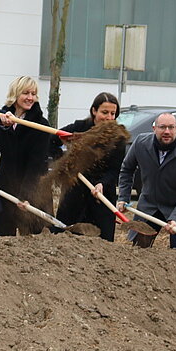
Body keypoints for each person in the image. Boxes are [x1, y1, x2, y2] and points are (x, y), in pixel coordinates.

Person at [118, 112, 176, 249]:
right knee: (139, 250)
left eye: (171, 127)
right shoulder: (141, 144)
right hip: (149, 205)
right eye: (162, 127)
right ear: (154, 128)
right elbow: (127, 169)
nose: (167, 131)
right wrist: (123, 198)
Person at [54, 92, 128, 242]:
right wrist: (64, 161)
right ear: (94, 111)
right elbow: (52, 140)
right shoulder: (80, 128)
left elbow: (114, 169)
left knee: (102, 241)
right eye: (104, 112)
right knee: (66, 237)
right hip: (75, 190)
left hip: (101, 195)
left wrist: (102, 184)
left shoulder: (118, 137)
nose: (109, 117)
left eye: (113, 113)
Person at [0, 76, 56, 236]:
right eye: (25, 93)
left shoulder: (41, 125)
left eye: (33, 94)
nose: (30, 98)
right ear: (15, 94)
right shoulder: (0, 120)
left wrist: (26, 195)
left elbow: (36, 165)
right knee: (2, 237)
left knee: (36, 238)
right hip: (5, 184)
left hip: (34, 187)